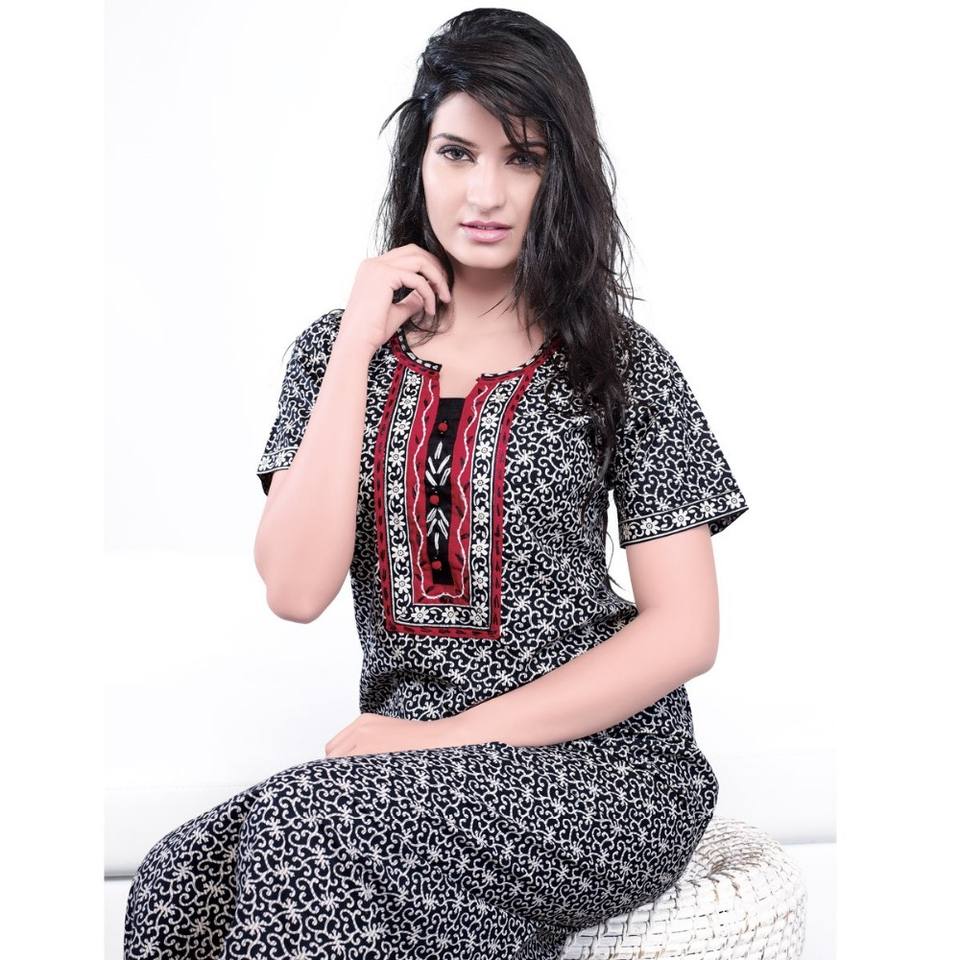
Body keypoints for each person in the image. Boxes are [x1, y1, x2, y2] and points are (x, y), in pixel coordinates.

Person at [123, 9, 749, 960]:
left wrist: (451, 739)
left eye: (523, 159)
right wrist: (355, 343)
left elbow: (685, 631)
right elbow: (294, 588)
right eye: (457, 153)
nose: (485, 192)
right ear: (418, 161)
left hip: (599, 772)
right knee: (179, 881)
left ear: (562, 176)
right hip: (406, 761)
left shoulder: (620, 364)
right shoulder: (334, 355)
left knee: (307, 834)